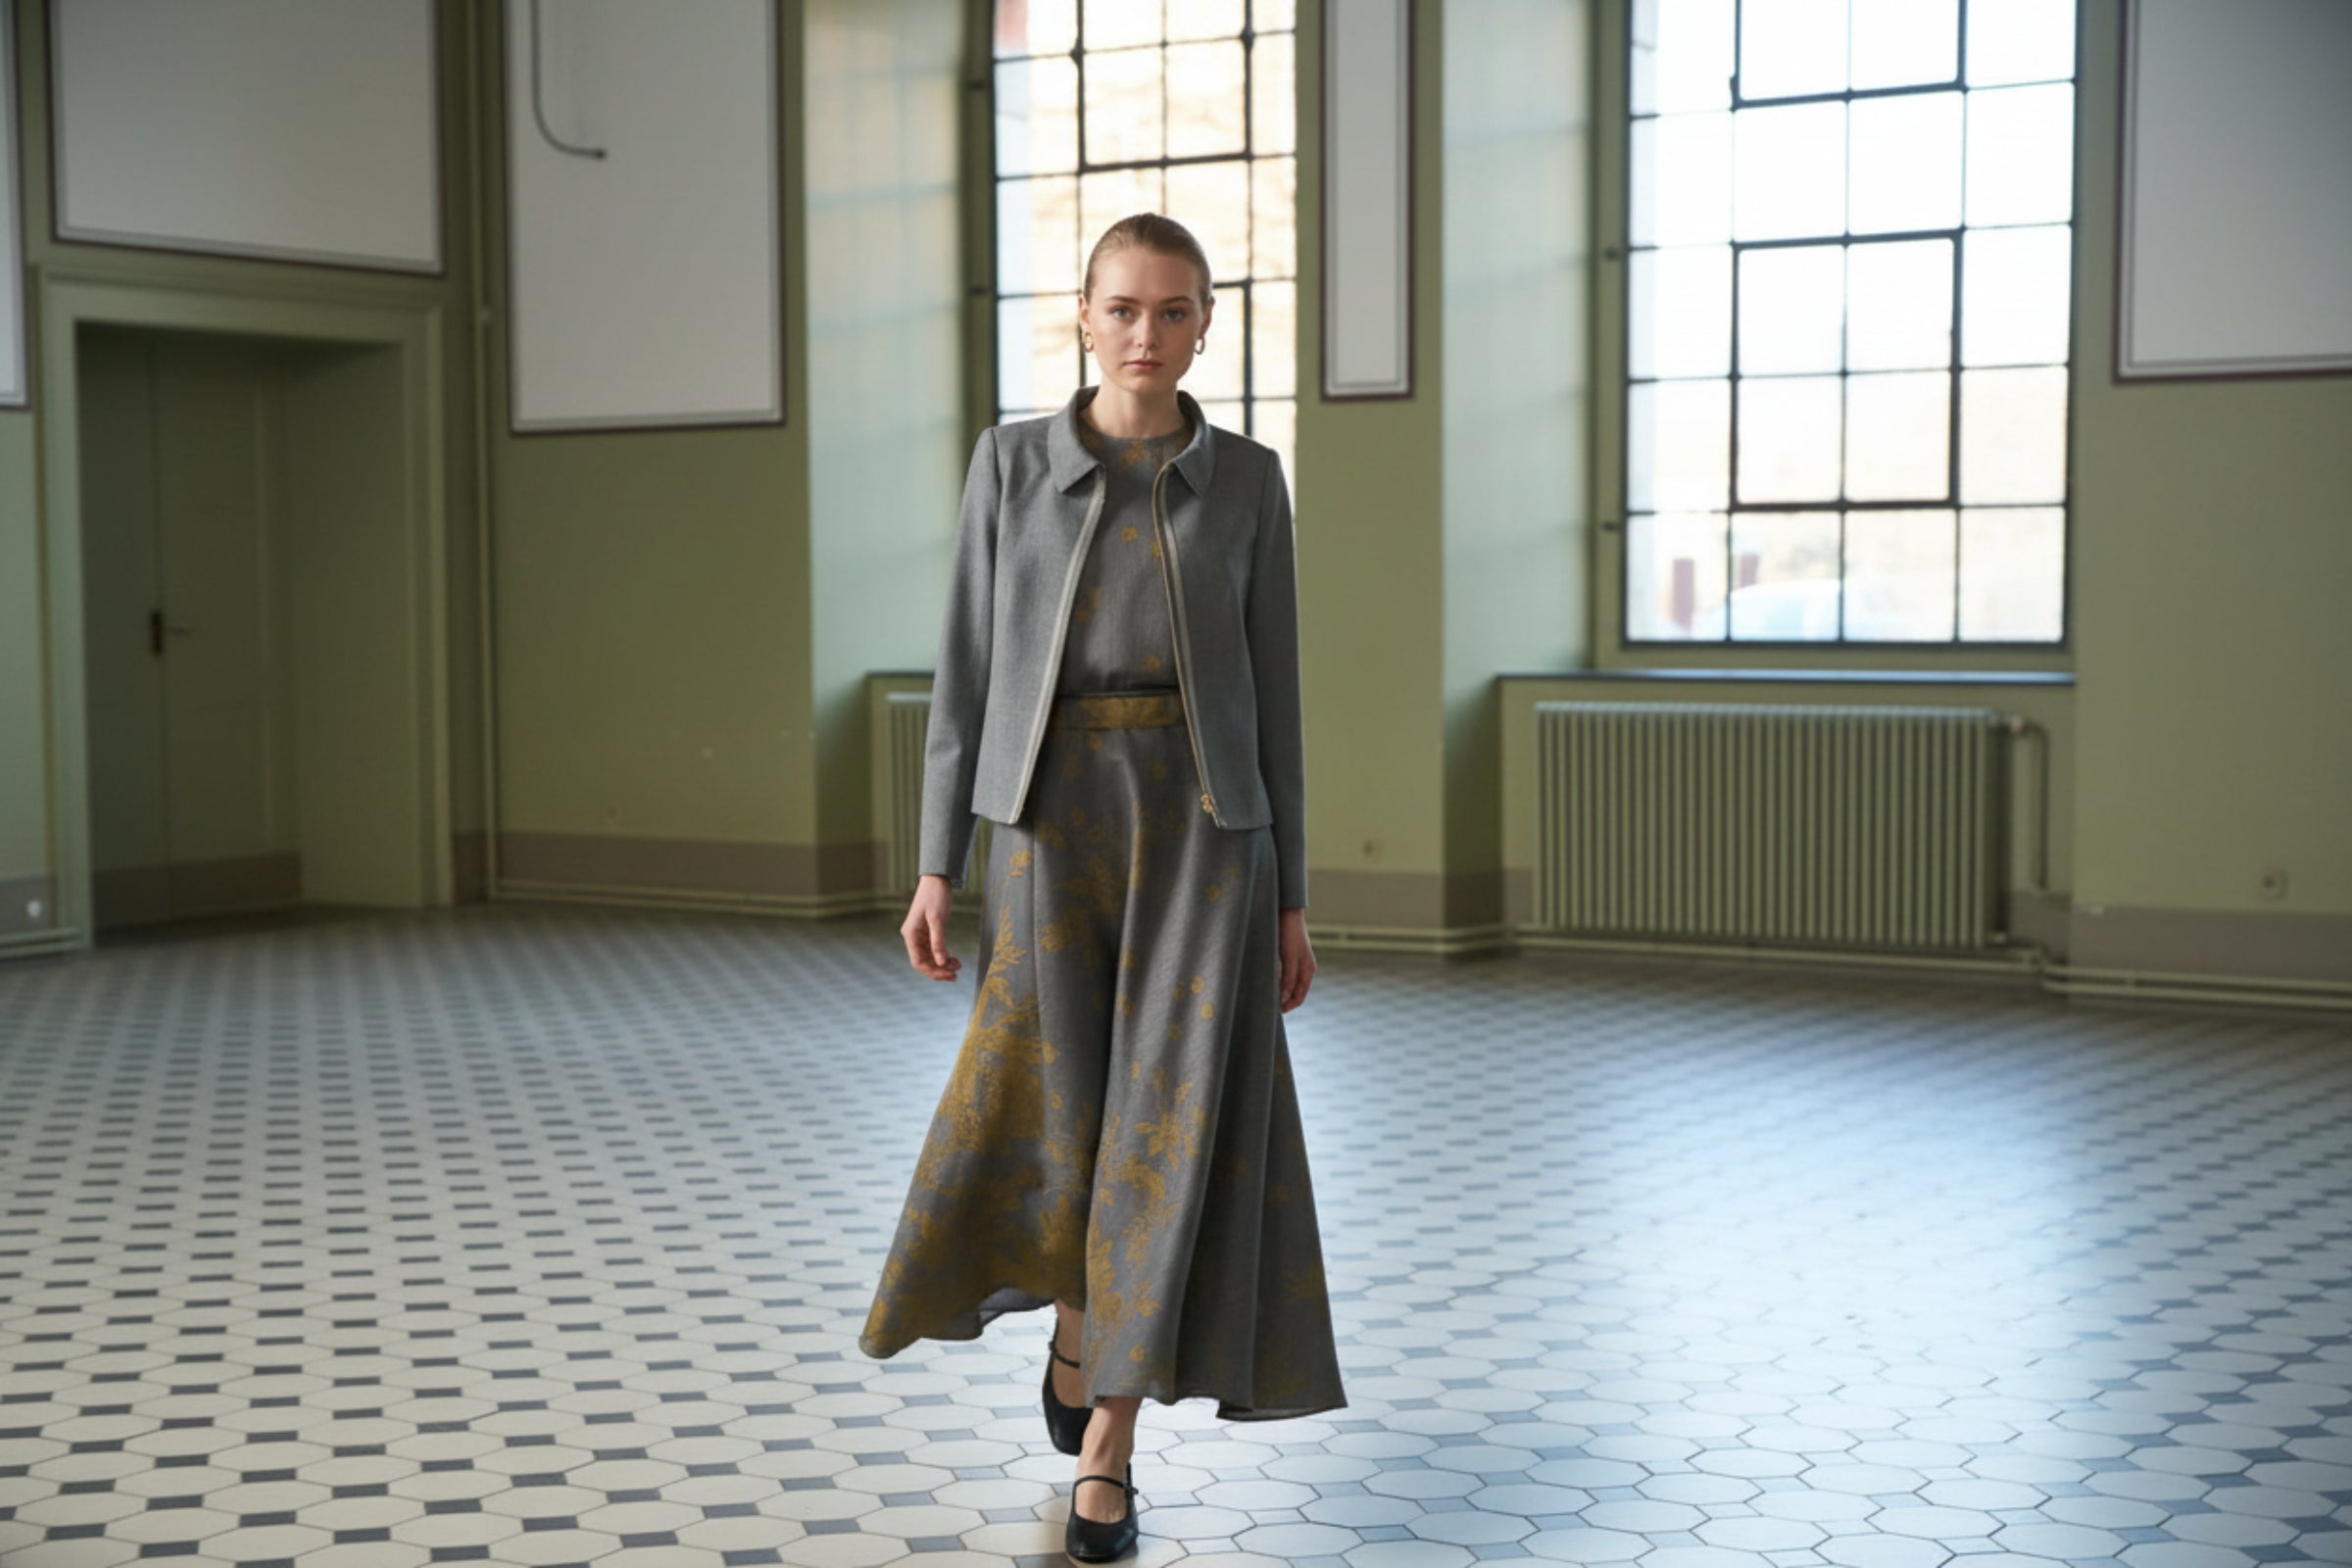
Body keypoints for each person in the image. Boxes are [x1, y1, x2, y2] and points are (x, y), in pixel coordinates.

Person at [857, 212, 1348, 1562]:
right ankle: (1080, 1327)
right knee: (1064, 1120)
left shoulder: (1247, 481)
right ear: (1084, 316)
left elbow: (1278, 701)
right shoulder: (1012, 463)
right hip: (1045, 830)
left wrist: (1291, 892)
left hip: (1205, 834)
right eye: (1124, 307)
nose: (1149, 333)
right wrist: (935, 861)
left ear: (1205, 325)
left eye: (1176, 310)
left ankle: (1110, 1458)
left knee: (1171, 1130)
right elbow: (963, 671)